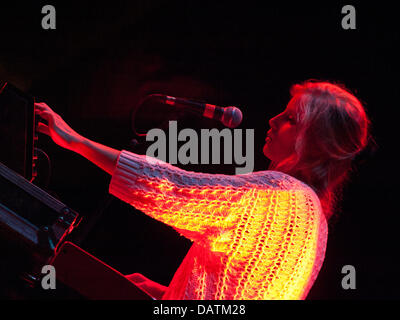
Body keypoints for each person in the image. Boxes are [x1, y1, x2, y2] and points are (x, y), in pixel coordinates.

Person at [35, 80, 371, 300]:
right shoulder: (317, 226)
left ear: (318, 143)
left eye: (290, 119)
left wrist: (76, 141)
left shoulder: (280, 194)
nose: (272, 120)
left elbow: (171, 188)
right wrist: (171, 293)